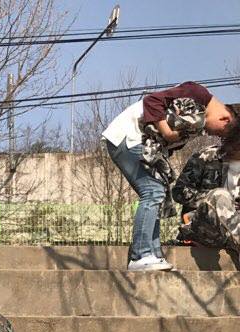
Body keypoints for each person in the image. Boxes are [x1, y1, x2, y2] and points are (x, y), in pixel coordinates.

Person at [102, 81, 236, 271]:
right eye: (219, 132)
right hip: (128, 137)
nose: (214, 135)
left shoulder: (197, 120)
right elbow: (151, 101)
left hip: (142, 144)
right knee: (153, 192)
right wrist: (166, 130)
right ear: (225, 119)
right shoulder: (197, 93)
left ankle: (154, 254)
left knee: (158, 192)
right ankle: (140, 255)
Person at [172, 119, 240, 252]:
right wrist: (212, 200)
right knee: (221, 195)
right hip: (205, 226)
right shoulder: (205, 156)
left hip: (233, 227)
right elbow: (179, 191)